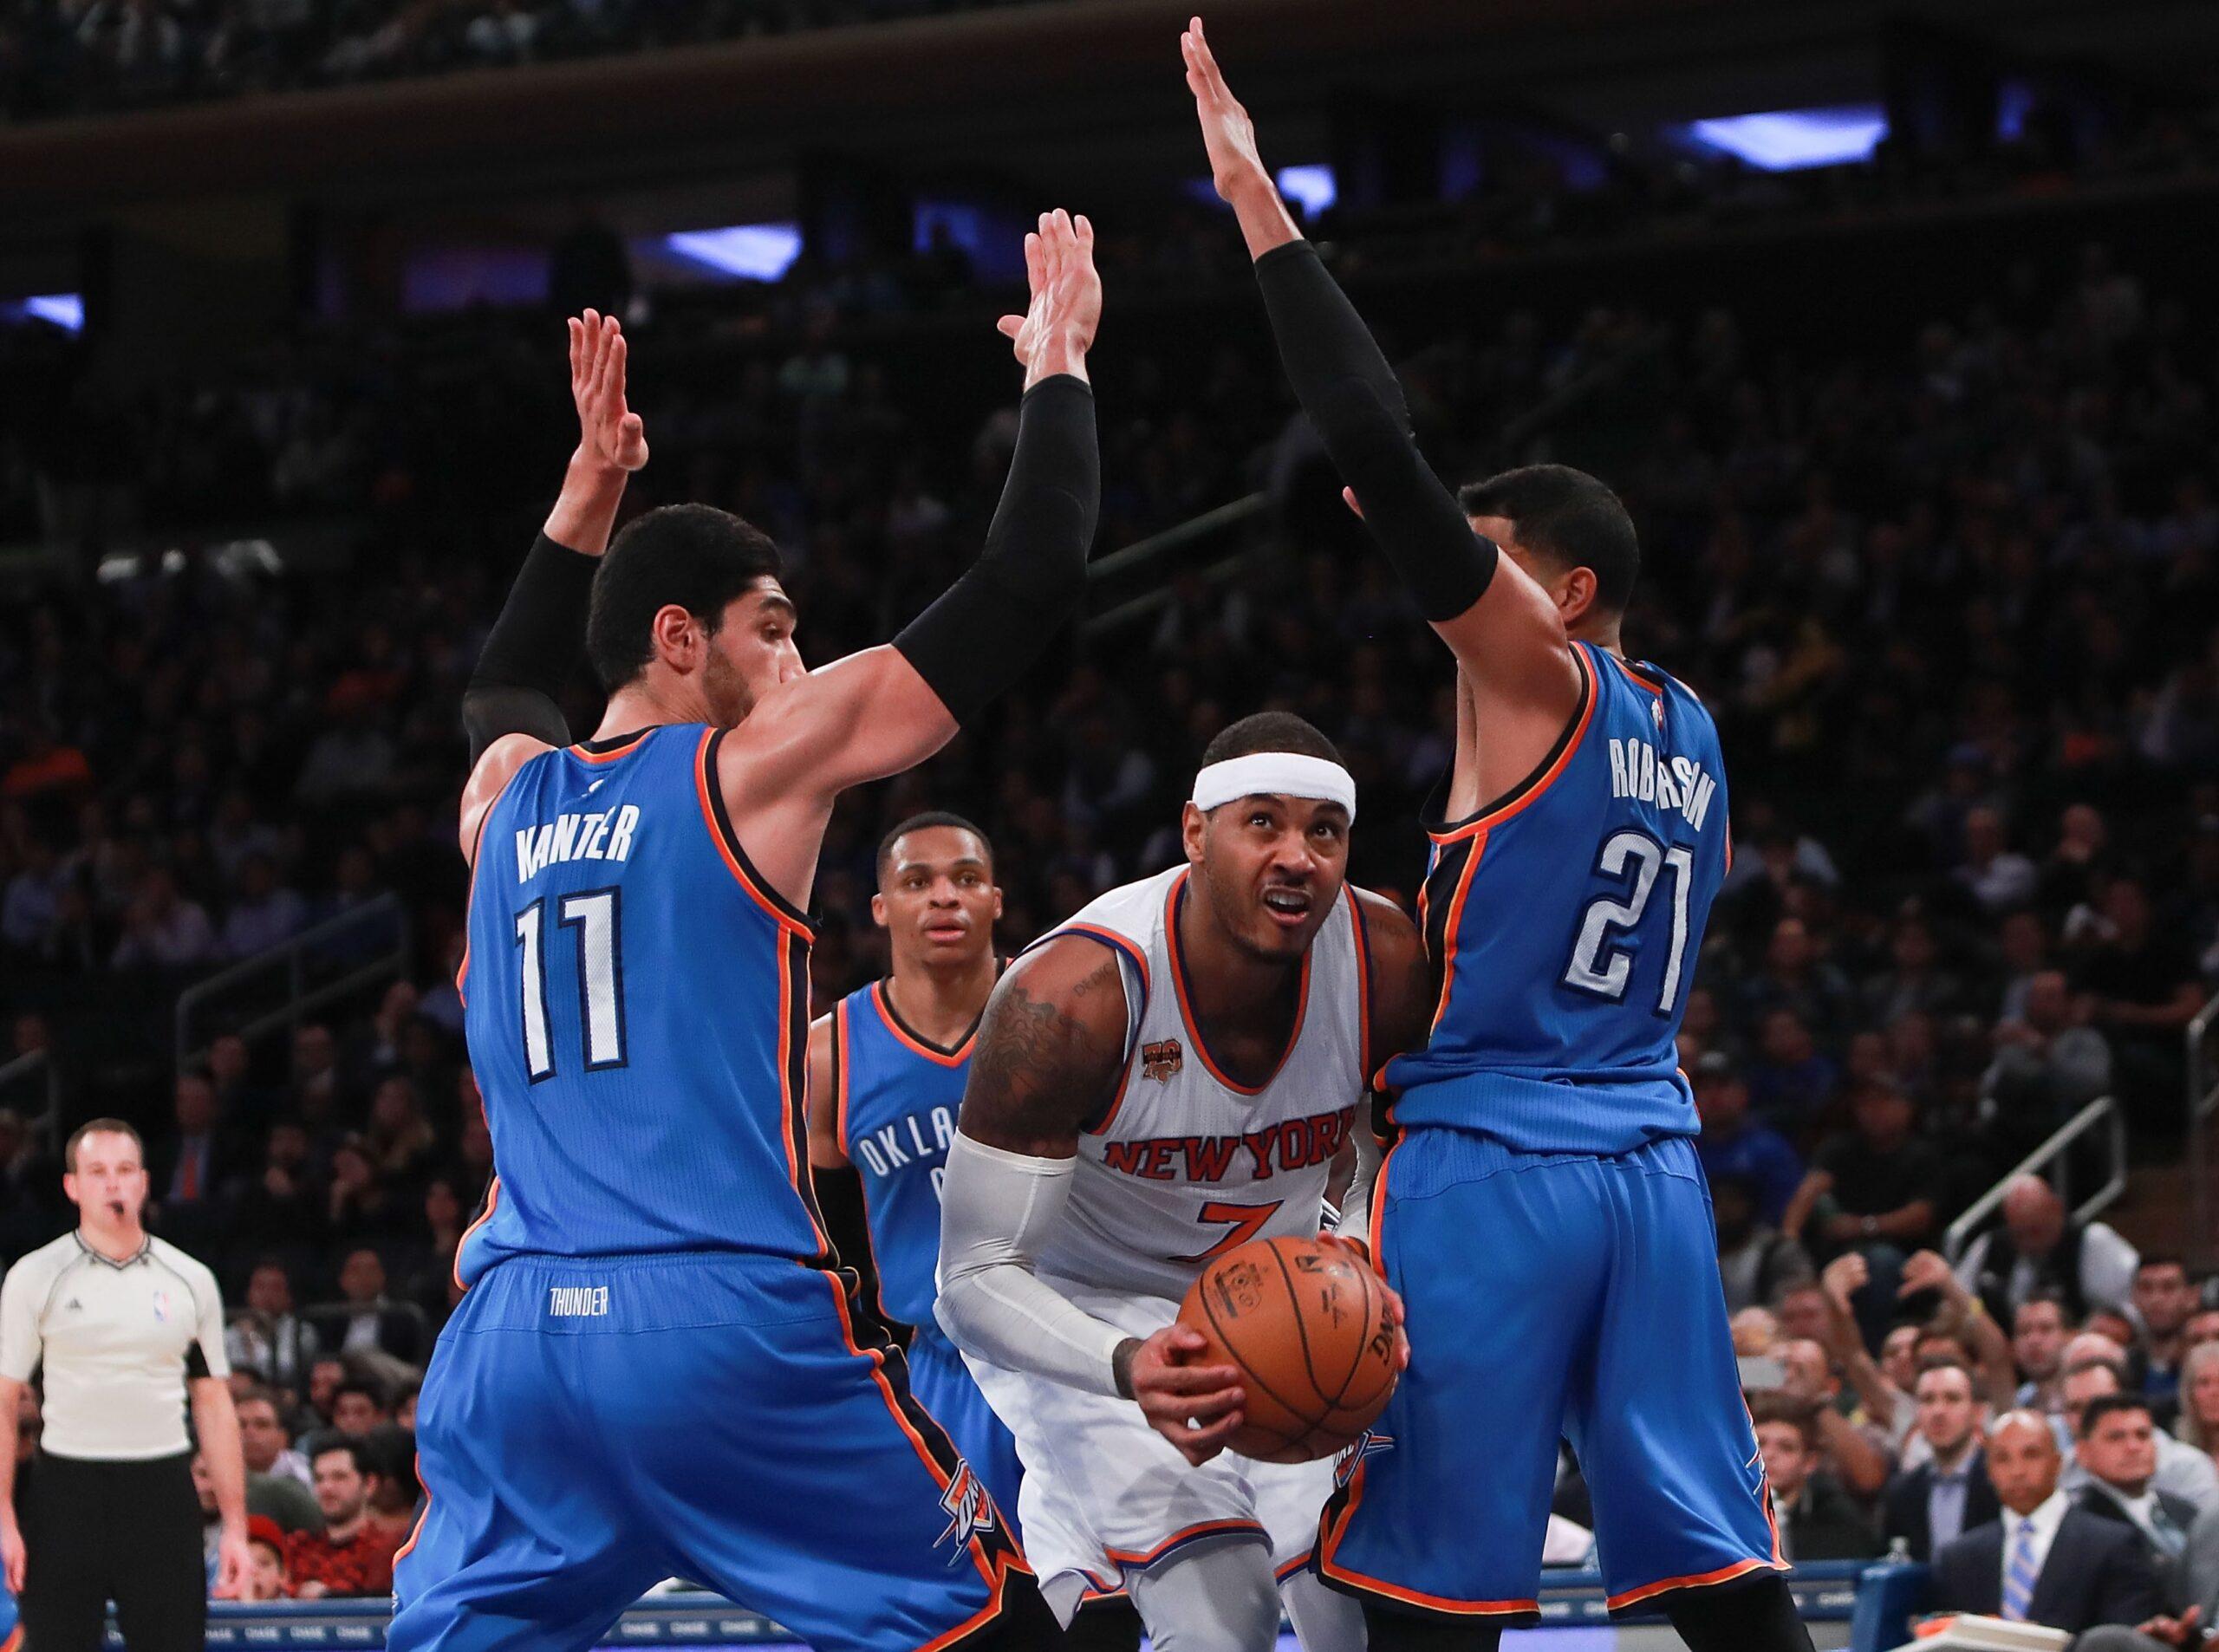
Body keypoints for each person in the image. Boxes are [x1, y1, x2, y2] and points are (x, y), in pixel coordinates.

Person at [392, 215, 1102, 1652]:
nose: (795, 659)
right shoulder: (745, 772)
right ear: (679, 640)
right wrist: (1062, 368)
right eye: (772, 628)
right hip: (716, 1319)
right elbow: (1024, 579)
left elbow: (500, 685)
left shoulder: (504, 799)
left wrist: (588, 491)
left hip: (512, 1337)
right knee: (996, 1624)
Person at [1179, 27, 1806, 1649]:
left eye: (1492, 556)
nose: (1462, 581)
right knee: (1720, 1560)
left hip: (1497, 1166)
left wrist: (1255, 199)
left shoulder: (1545, 676)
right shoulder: (1695, 728)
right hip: (1652, 1167)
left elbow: (1372, 440)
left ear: (1569, 590)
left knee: (1434, 1572)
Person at [936, 712, 1430, 1651]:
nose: (1297, 856)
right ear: (1196, 832)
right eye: (1263, 822)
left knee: (1357, 1594)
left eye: (1324, 830)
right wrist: (1128, 1364)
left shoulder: (1384, 960)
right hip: (1094, 1313)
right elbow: (972, 1279)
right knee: (1220, 1610)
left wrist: (1363, 1250)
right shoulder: (1072, 997)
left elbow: (1387, 1154)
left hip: (1288, 1303)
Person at [0, 1120, 250, 1650]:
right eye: (97, 1172)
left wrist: (236, 1527)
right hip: (65, 1493)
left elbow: (214, 1403)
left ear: (144, 1181)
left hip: (162, 1492)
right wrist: (4, 1518)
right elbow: (3, 1401)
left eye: (125, 1170)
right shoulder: (34, 1276)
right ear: (72, 1186)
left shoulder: (190, 1279)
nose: (113, 1183)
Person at [1929, 1411, 2161, 1632]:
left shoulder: (2113, 1545)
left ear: (2057, 1463)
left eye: (2031, 1455)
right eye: (2002, 1459)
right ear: (1988, 1470)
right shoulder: (1958, 1559)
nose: (2017, 1471)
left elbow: (2120, 1640)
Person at [1955, 1176, 2139, 1328]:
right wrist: (1977, 1317)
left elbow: (2128, 1311)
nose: (2028, 1242)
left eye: (2035, 1231)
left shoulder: (2092, 1241)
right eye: (2019, 1234)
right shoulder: (1990, 1246)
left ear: (2056, 1210)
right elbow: (1962, 1301)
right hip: (2006, 1348)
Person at [2064, 1356, 2219, 1512]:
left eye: (2102, 1404)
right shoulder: (2061, 1471)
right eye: (2075, 1408)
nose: (2087, 1416)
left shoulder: (2185, 1467)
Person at [1883, 1362, 2000, 1561]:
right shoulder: (1901, 1492)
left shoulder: (1999, 1483)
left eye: (1952, 1399)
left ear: (1977, 1412)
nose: (1938, 1411)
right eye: (1927, 1400)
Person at [1748, 1395, 1878, 1563]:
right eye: (1760, 1444)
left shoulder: (1836, 1519)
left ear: (1809, 1462)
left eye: (1786, 1448)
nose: (1769, 1455)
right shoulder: (1725, 1512)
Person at [2076, 1395, 2203, 1562]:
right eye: (2116, 1437)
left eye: (2142, 1435)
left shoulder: (2186, 1512)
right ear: (2083, 1452)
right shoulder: (2079, 1528)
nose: (2133, 1447)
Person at [1694, 1053, 1804, 1227]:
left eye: (1723, 1085)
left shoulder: (1770, 1149)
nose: (1714, 1096)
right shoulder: (1686, 1150)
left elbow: (1783, 1214)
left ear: (1743, 1093)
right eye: (1705, 1088)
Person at [289, 1441, 400, 1599]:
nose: (327, 1487)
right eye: (319, 1479)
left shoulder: (390, 1551)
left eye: (339, 1477)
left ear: (369, 1484)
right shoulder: (297, 1546)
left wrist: (328, 1597)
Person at [2131, 1259, 2199, 1416]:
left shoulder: (2209, 1365)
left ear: (2192, 1295)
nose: (2156, 1299)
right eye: (2146, 1288)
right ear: (2133, 1296)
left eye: (2169, 1287)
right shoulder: (2124, 1365)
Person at [2014, 1291, 2079, 1413]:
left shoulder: (2086, 1395)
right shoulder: (2019, 1401)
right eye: (2024, 1331)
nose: (2033, 1340)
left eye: (2046, 1329)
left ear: (2071, 1337)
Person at [234, 1388, 310, 1487]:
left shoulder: (300, 1477)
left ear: (282, 1438)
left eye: (262, 1425)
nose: (249, 1432)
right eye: (241, 1425)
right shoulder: (219, 1471)